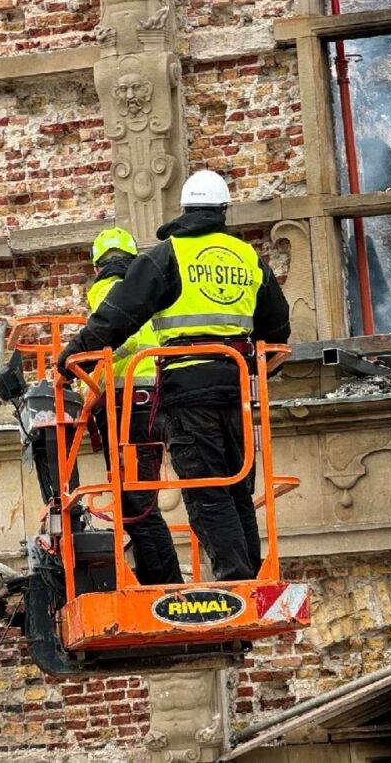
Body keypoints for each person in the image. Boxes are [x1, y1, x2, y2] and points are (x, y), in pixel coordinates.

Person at [58, 172, 291, 582]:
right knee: (237, 485)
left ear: (184, 211)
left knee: (206, 490)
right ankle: (250, 575)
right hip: (237, 386)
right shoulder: (247, 257)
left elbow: (118, 317)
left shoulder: (169, 255)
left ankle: (236, 579)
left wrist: (72, 356)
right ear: (223, 211)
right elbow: (277, 327)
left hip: (187, 388)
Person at [83, 227, 182, 586]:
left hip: (130, 404)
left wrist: (85, 373)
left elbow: (121, 339)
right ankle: (157, 577)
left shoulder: (108, 290)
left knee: (138, 504)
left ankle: (163, 583)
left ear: (98, 266)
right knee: (136, 501)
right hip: (146, 400)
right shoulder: (149, 290)